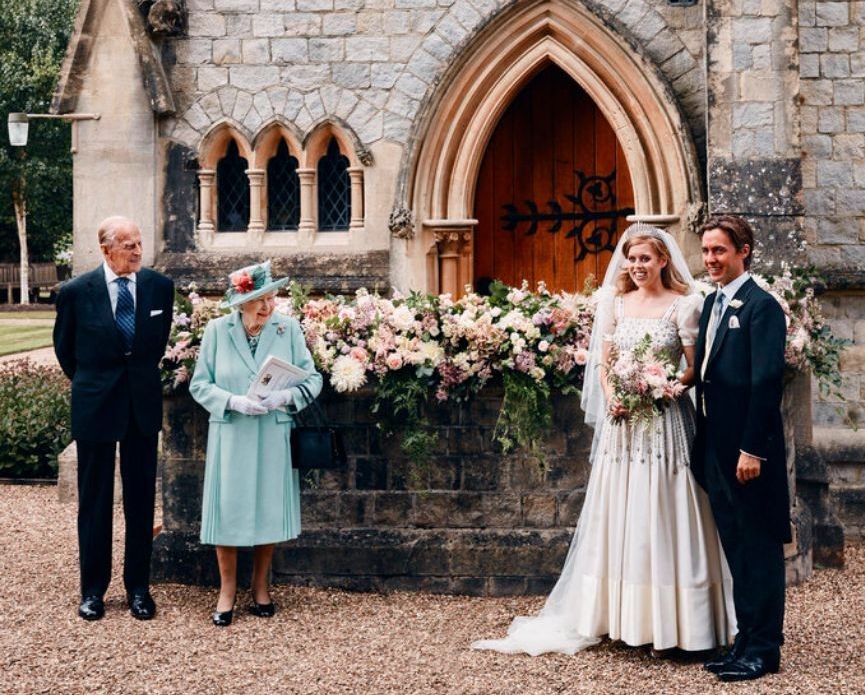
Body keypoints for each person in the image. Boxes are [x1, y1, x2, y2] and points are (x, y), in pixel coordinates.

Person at [472, 223, 734, 655]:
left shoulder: (685, 305)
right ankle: (621, 616)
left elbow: (693, 367)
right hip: (623, 425)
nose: (637, 266)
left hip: (665, 422)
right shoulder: (614, 302)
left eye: (645, 259)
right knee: (623, 508)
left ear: (663, 261)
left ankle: (680, 623)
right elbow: (603, 364)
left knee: (667, 509)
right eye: (632, 259)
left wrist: (663, 387)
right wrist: (615, 397)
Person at [53, 216, 175, 621]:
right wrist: (96, 384)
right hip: (95, 405)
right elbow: (65, 351)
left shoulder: (161, 287)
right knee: (94, 501)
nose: (138, 251)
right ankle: (93, 591)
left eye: (139, 243)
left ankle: (139, 588)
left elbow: (154, 348)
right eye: (129, 245)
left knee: (141, 501)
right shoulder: (75, 292)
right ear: (105, 250)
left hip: (141, 406)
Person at [189, 260, 322, 627]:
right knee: (227, 510)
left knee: (267, 509)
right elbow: (199, 385)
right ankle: (227, 590)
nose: (268, 306)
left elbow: (313, 380)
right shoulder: (217, 331)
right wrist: (232, 402)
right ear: (240, 302)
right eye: (259, 299)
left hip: (271, 430)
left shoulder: (288, 329)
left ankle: (260, 586)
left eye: (272, 296)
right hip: (231, 431)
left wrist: (285, 398)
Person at [693, 215, 790, 682]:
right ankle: (743, 641)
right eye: (707, 251)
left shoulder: (761, 307)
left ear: (743, 251)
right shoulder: (712, 302)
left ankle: (764, 650)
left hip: (749, 455)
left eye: (719, 251)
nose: (711, 259)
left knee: (760, 548)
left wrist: (752, 449)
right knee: (736, 548)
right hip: (716, 449)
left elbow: (766, 382)